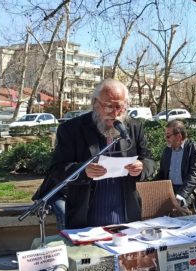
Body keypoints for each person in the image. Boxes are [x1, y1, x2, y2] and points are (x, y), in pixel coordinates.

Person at [39, 79, 154, 229]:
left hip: (127, 215)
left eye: (120, 106)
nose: (114, 113)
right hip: (86, 217)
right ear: (95, 103)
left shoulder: (134, 127)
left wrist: (142, 166)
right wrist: (83, 171)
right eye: (108, 106)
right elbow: (56, 170)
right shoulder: (71, 129)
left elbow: (150, 161)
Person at [157, 120, 196, 208]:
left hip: (190, 190)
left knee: (179, 209)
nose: (165, 138)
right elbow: (162, 173)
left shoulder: (194, 149)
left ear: (178, 136)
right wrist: (147, 187)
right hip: (170, 190)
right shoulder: (167, 150)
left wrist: (181, 195)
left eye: (168, 136)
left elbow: (195, 175)